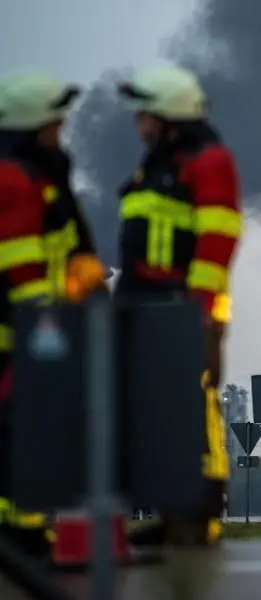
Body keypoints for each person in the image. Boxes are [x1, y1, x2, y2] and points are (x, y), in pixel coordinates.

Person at [115, 64, 243, 547]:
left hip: (187, 307)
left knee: (196, 407)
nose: (138, 121)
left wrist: (201, 307)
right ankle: (172, 513)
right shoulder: (155, 165)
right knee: (158, 413)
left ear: (167, 115)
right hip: (147, 307)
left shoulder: (207, 161)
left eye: (145, 112)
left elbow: (218, 238)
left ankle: (200, 513)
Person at [0, 71, 105, 558]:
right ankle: (19, 533)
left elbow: (63, 244)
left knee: (28, 423)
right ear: (29, 125)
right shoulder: (13, 176)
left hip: (36, 321)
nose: (60, 131)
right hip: (20, 325)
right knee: (15, 423)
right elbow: (21, 260)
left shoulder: (44, 174)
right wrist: (47, 319)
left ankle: (23, 528)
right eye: (53, 125)